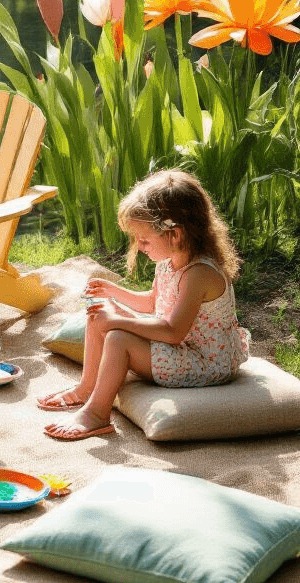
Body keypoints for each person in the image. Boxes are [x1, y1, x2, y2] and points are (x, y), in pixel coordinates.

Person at [38, 169, 250, 441]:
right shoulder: (169, 262)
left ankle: (97, 415)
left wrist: (117, 321)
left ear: (174, 234)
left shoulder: (199, 273)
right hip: (180, 347)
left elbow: (173, 331)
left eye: (144, 239)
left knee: (117, 337)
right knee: (98, 313)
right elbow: (152, 303)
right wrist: (113, 293)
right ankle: (86, 388)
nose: (138, 246)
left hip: (204, 361)